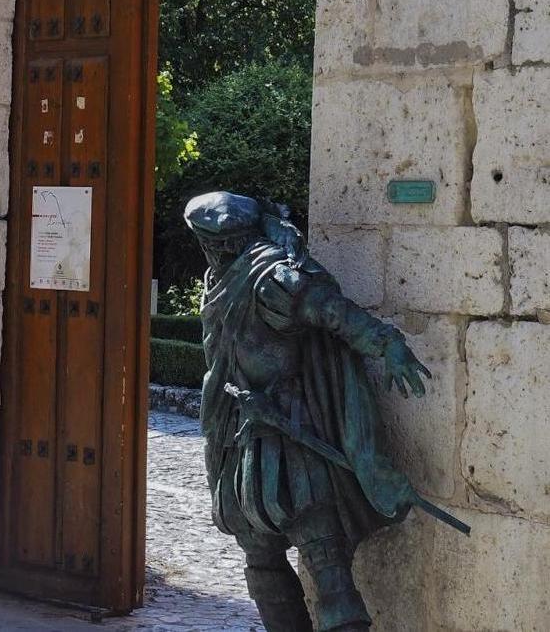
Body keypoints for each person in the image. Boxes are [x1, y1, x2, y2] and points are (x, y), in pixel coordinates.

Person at [184, 191, 434, 632]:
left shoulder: (273, 278)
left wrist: (389, 344)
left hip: (292, 439)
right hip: (239, 438)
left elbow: (335, 314)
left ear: (223, 241)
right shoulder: (219, 277)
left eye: (208, 241)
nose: (209, 250)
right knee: (260, 562)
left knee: (326, 564)